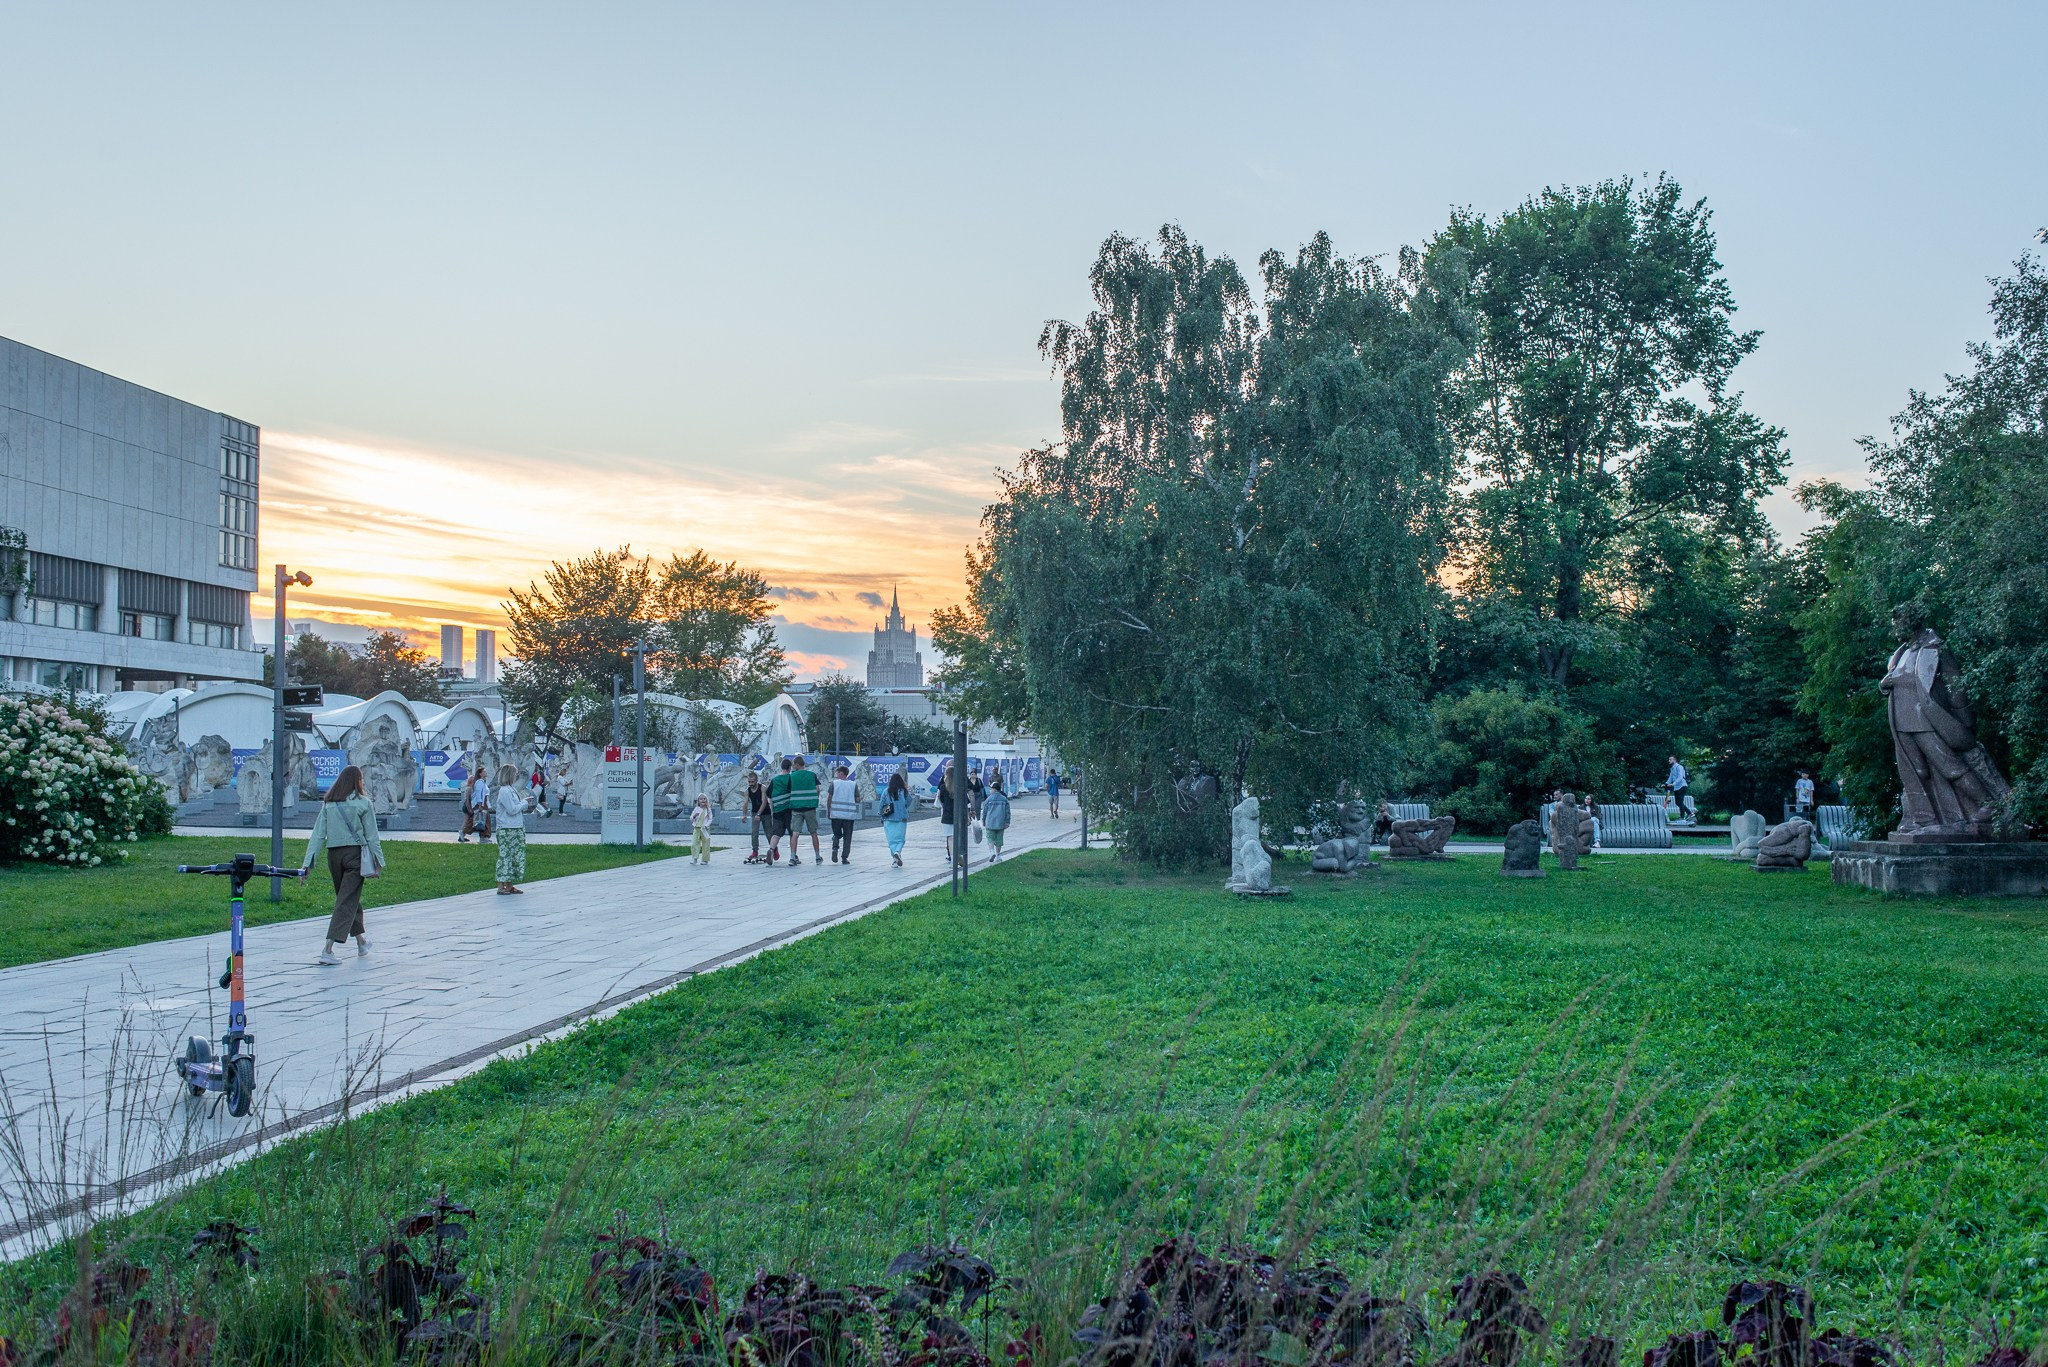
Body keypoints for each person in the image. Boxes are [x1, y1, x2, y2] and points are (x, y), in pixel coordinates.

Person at [302, 764, 383, 965]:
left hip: (334, 856)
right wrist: (378, 861)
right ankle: (327, 949)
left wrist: (307, 863)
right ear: (357, 781)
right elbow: (372, 836)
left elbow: (318, 835)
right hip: (355, 856)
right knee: (345, 901)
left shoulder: (329, 804)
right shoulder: (363, 803)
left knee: (347, 897)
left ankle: (361, 942)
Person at [494, 762, 536, 893]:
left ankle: (509, 884)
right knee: (505, 856)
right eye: (515, 774)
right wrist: (524, 803)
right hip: (507, 828)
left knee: (514, 857)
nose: (516, 776)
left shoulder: (511, 789)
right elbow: (512, 809)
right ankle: (501, 885)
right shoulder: (504, 791)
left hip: (515, 826)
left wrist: (522, 803)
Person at [786, 754, 822, 866]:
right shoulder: (812, 775)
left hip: (796, 807)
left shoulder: (792, 776)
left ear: (797, 765)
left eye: (794, 765)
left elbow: (788, 790)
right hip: (810, 807)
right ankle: (817, 856)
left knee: (795, 833)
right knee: (813, 832)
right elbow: (818, 789)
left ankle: (792, 857)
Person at [827, 763, 859, 864]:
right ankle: (844, 858)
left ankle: (835, 848)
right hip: (849, 816)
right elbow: (857, 799)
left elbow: (829, 797)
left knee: (836, 834)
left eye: (837, 772)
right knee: (847, 837)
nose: (836, 774)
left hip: (836, 814)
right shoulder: (853, 785)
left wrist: (829, 810)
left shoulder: (834, 784)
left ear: (841, 773)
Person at [881, 772, 913, 867]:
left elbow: (881, 804)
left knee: (891, 840)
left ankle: (894, 859)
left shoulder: (886, 791)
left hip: (888, 818)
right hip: (902, 818)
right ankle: (897, 852)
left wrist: (881, 815)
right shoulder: (904, 792)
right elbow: (908, 802)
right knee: (900, 839)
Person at [768, 758, 796, 865]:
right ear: (789, 768)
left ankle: (771, 850)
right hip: (788, 810)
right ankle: (793, 856)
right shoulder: (790, 778)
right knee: (793, 834)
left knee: (776, 833)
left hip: (777, 810)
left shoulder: (774, 780)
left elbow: (769, 794)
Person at [743, 772, 773, 864]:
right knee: (754, 832)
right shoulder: (747, 791)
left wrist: (759, 814)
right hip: (755, 812)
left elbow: (764, 802)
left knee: (769, 833)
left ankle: (773, 849)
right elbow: (745, 803)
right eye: (749, 782)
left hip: (765, 813)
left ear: (756, 781)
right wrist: (744, 815)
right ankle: (755, 850)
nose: (751, 784)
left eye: (752, 782)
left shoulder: (762, 788)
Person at [983, 773, 1012, 861]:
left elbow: (984, 811)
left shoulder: (988, 799)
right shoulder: (1004, 799)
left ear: (994, 789)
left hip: (990, 822)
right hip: (1000, 823)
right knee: (999, 840)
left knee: (990, 838)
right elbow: (1008, 812)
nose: (990, 790)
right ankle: (998, 855)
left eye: (991, 789)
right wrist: (1007, 822)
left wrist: (983, 820)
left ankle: (991, 852)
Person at [458, 767, 491, 844]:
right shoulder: (479, 782)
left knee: (482, 819)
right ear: (480, 773)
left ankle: (483, 836)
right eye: (484, 771)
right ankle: (482, 836)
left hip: (484, 802)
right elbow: (478, 793)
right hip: (481, 803)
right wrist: (480, 804)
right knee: (480, 819)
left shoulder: (482, 782)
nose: (486, 773)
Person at [1666, 756, 1694, 825]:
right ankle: (1690, 813)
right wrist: (1666, 784)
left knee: (1680, 802)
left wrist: (1674, 783)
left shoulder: (1679, 767)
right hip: (1676, 787)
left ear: (1674, 760)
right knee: (1677, 802)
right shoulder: (1672, 768)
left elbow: (1680, 777)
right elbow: (1670, 778)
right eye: (1669, 759)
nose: (1669, 761)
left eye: (1670, 759)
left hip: (1682, 786)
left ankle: (1682, 817)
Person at [690, 793, 714, 865]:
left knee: (706, 844)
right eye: (701, 799)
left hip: (705, 829)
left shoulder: (708, 809)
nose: (703, 800)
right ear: (698, 801)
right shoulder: (696, 809)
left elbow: (710, 819)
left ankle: (705, 859)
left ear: (706, 800)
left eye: (704, 799)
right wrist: (694, 816)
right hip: (697, 828)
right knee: (694, 843)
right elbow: (691, 818)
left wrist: (707, 825)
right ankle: (694, 858)